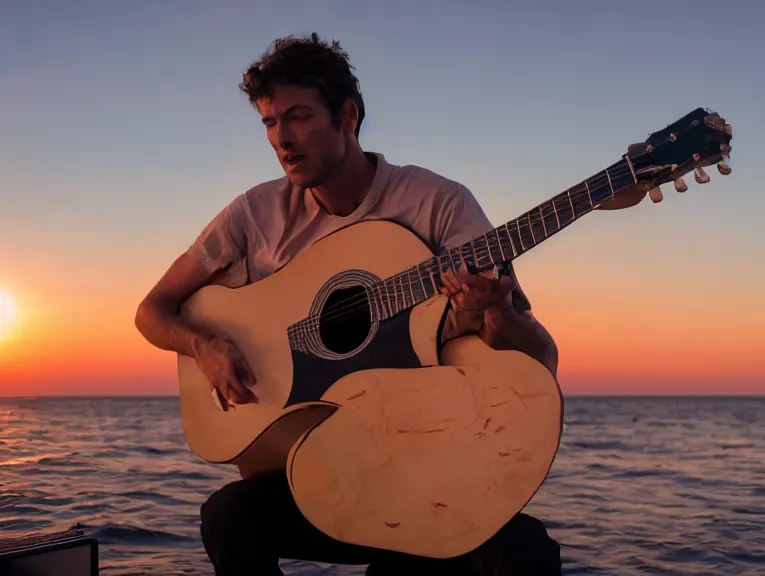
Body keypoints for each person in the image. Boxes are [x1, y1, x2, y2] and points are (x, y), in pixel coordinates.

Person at [134, 33, 563, 575]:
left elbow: (536, 359)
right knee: (228, 517)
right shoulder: (254, 215)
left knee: (527, 555)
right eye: (269, 122)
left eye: (297, 117)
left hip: (424, 464)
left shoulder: (436, 205)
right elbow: (152, 311)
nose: (281, 139)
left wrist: (496, 311)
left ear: (347, 116)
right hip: (317, 463)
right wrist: (206, 346)